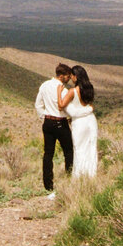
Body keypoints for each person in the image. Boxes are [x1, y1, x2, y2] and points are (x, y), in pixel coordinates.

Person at [35, 63, 74, 197]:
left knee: (48, 154)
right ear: (62, 76)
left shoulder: (44, 85)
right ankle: (69, 179)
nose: (69, 79)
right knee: (68, 152)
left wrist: (44, 117)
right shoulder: (63, 90)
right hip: (60, 122)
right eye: (68, 76)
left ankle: (48, 185)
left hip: (48, 122)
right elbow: (65, 107)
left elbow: (38, 104)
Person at [58, 64, 97, 178]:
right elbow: (90, 106)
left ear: (76, 76)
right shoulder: (90, 88)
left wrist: (59, 92)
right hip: (91, 120)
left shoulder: (73, 91)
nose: (70, 78)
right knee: (91, 148)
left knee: (79, 148)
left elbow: (61, 105)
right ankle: (91, 175)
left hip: (79, 123)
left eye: (71, 76)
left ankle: (79, 176)